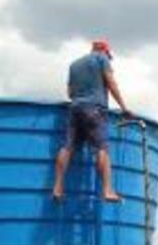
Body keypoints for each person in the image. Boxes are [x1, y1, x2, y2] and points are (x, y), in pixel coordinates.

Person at [52, 39, 133, 202]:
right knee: (102, 148)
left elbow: (69, 92)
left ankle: (58, 187)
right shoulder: (101, 59)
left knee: (67, 147)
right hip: (94, 109)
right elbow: (111, 82)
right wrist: (124, 107)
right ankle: (107, 190)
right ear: (104, 50)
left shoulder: (74, 65)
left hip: (75, 109)